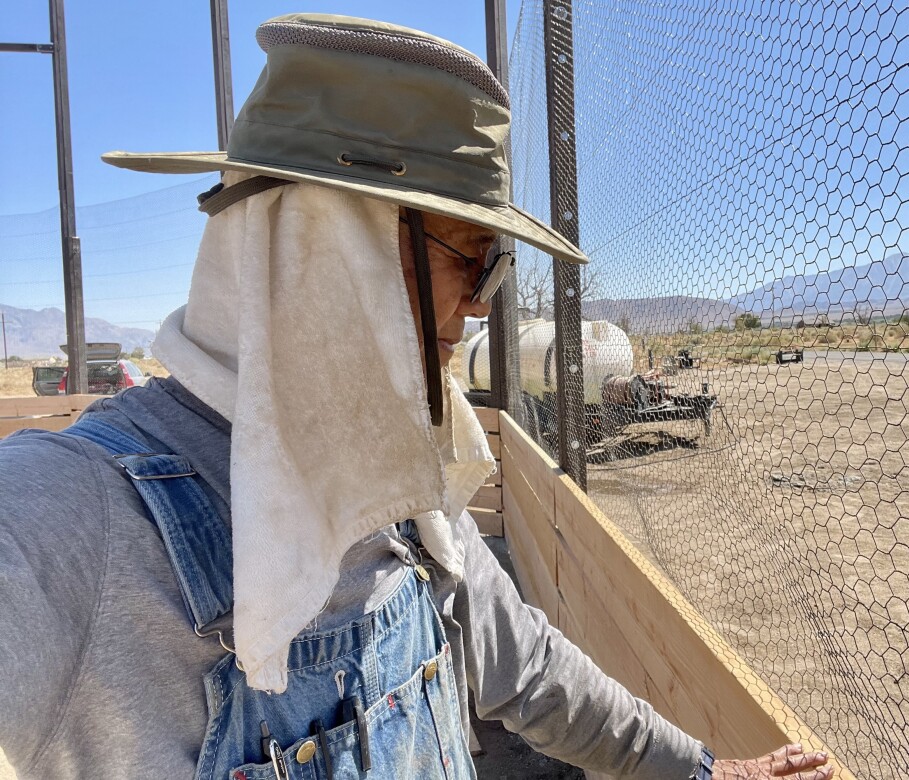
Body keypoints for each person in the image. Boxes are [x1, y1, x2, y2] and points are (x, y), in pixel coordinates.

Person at [0, 14, 833, 780]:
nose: (481, 302)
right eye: (473, 258)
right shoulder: (67, 520)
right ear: (329, 249)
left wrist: (697, 773)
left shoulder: (402, 485)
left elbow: (531, 668)